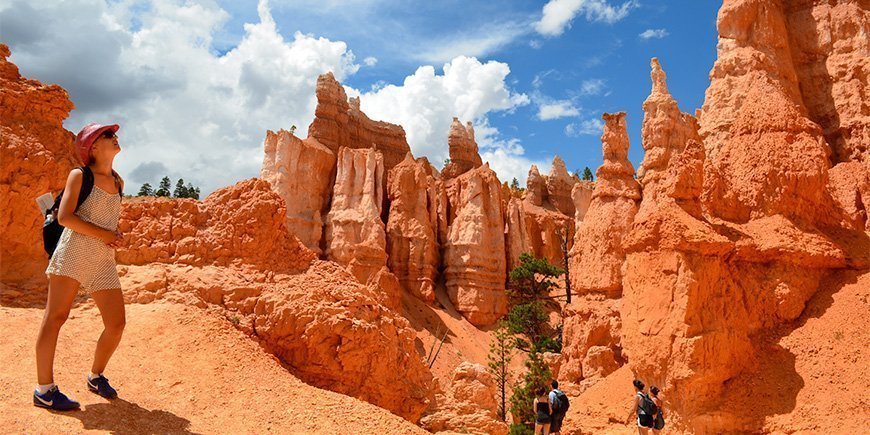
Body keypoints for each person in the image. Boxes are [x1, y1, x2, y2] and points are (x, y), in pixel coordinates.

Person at [34, 123, 126, 411]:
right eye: (108, 136)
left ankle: (95, 376)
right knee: (55, 318)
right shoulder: (80, 175)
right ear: (93, 147)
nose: (115, 138)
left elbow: (103, 220)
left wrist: (114, 236)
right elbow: (65, 217)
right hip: (73, 252)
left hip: (101, 260)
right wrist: (106, 235)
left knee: (116, 324)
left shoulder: (118, 181)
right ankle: (44, 390)